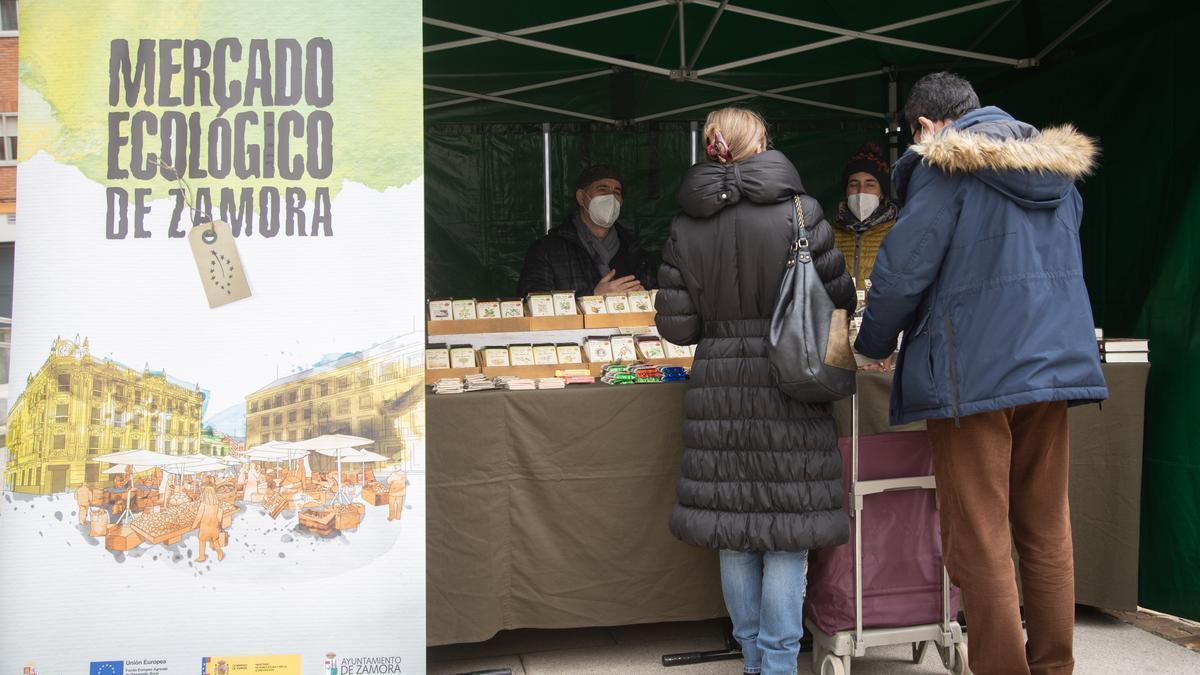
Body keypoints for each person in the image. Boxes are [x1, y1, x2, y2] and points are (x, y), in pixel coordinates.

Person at [854, 72, 1106, 675]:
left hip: (975, 374)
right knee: (1047, 530)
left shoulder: (946, 171)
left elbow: (901, 270)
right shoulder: (1056, 172)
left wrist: (873, 342)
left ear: (925, 126)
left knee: (981, 540)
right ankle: (1053, 668)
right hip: (1053, 367)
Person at [656, 107, 855, 675]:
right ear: (762, 142)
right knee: (787, 537)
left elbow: (676, 327)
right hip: (790, 384)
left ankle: (750, 658)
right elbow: (839, 299)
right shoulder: (801, 212)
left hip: (717, 386)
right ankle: (777, 664)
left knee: (735, 534)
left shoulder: (685, 224)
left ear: (710, 147)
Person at [516, 165, 656, 297]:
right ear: (581, 197)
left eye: (616, 192)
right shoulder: (547, 250)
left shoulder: (635, 250)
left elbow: (659, 303)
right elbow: (534, 302)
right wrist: (592, 298)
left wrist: (645, 298)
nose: (610, 198)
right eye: (602, 190)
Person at [192, 485, 225, 562]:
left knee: (202, 541)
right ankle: (219, 553)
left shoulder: (203, 504)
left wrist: (194, 525)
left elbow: (199, 516)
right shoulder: (217, 505)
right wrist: (218, 523)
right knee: (215, 540)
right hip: (214, 526)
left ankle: (201, 556)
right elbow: (220, 516)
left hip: (204, 527)